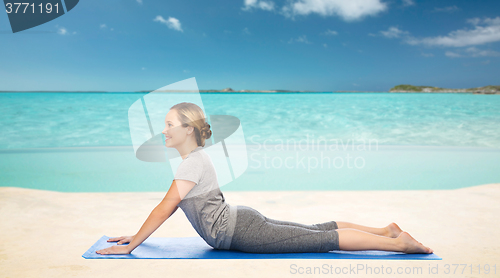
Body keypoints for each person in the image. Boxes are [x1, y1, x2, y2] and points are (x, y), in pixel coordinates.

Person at [96, 102, 433, 255]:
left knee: (320, 240)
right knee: (315, 231)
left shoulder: (189, 165)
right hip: (242, 222)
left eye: (169, 124)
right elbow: (167, 209)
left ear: (188, 130)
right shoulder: (196, 159)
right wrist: (138, 236)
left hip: (242, 230)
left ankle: (396, 243)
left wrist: (135, 243)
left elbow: (164, 208)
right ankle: (385, 230)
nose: (164, 129)